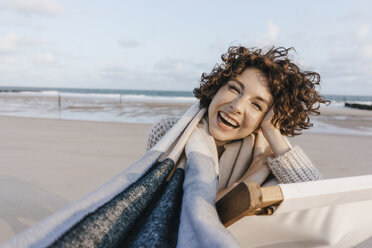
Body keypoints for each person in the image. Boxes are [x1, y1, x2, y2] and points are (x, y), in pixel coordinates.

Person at [147, 46, 329, 197]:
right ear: (217, 87)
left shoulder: (269, 157)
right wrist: (246, 183)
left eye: (257, 105)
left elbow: (319, 201)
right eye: (234, 89)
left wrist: (272, 131)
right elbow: (161, 215)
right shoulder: (168, 132)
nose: (237, 106)